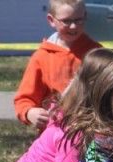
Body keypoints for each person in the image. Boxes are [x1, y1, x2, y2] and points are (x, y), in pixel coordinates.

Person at [14, 0, 102, 129]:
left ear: (86, 16)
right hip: (54, 133)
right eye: (66, 21)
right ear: (51, 20)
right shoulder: (42, 57)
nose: (73, 26)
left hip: (90, 131)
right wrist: (29, 112)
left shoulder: (97, 54)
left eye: (78, 20)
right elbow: (24, 98)